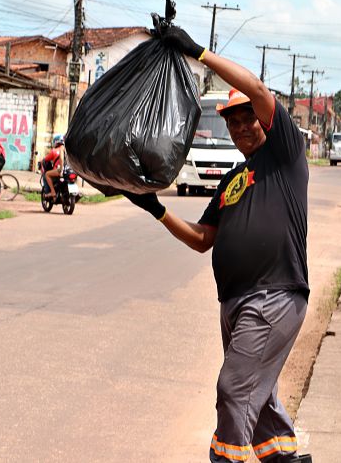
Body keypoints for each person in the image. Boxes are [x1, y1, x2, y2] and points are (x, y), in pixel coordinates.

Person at [123, 26, 312, 463]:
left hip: (274, 294)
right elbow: (202, 240)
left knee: (234, 388)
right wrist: (154, 208)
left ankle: (225, 459)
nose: (243, 126)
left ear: (263, 121)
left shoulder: (285, 154)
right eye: (234, 121)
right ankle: (283, 456)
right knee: (258, 399)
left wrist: (198, 52)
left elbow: (257, 88)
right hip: (236, 302)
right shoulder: (232, 181)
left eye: (249, 117)